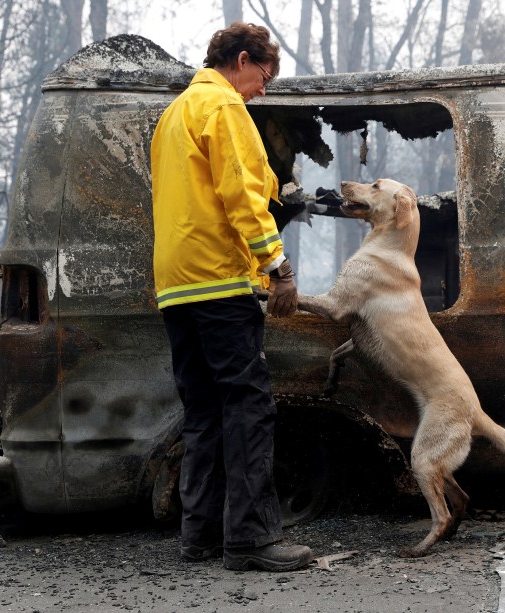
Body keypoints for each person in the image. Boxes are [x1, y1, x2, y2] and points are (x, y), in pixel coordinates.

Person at [150, 22, 312, 572]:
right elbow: (240, 196)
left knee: (202, 409)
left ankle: (199, 536)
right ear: (241, 61)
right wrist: (279, 268)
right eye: (263, 77)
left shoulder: (174, 114)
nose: (262, 90)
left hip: (176, 284)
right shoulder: (224, 109)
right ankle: (249, 541)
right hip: (220, 278)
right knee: (248, 405)